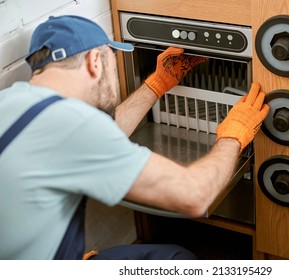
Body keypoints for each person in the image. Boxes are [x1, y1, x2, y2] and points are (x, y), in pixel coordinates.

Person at [0, 15, 270, 260]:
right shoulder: (71, 124)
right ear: (95, 61)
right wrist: (233, 135)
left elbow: (97, 137)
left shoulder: (13, 103)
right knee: (180, 262)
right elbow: (195, 196)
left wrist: (156, 84)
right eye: (112, 61)